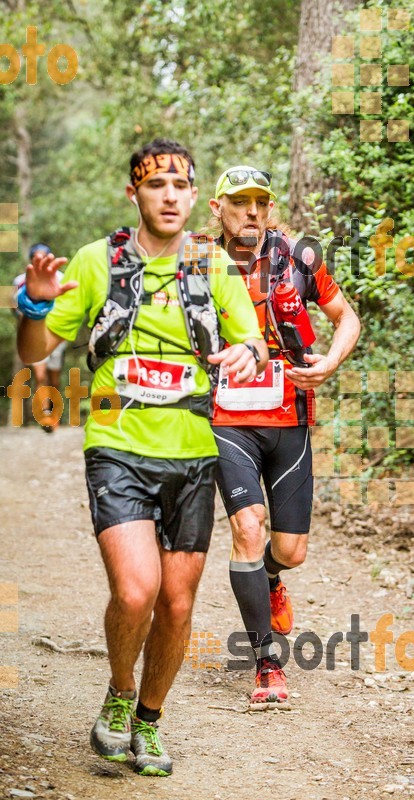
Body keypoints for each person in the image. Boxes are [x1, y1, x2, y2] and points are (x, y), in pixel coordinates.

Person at [17, 140, 267, 776]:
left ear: (193, 193)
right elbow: (33, 350)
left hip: (192, 450)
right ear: (135, 194)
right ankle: (121, 693)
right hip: (117, 443)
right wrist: (34, 304)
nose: (170, 196)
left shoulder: (213, 264)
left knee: (178, 606)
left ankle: (150, 720)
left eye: (181, 186)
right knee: (137, 591)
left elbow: (253, 342)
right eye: (156, 185)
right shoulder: (97, 261)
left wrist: (249, 355)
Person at [208, 166, 361, 706]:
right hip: (225, 418)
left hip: (289, 414)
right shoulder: (194, 263)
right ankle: (266, 664)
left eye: (260, 202)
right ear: (217, 207)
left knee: (290, 551)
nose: (250, 211)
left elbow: (347, 318)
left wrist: (331, 363)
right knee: (247, 529)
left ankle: (272, 578)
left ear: (269, 208)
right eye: (239, 201)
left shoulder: (300, 257)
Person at [13, 244, 68, 432]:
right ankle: (45, 414)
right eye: (36, 256)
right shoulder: (21, 280)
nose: (40, 259)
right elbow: (14, 308)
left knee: (54, 378)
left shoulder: (61, 279)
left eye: (43, 255)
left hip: (55, 334)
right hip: (36, 333)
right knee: (40, 375)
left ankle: (54, 415)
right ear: (30, 259)